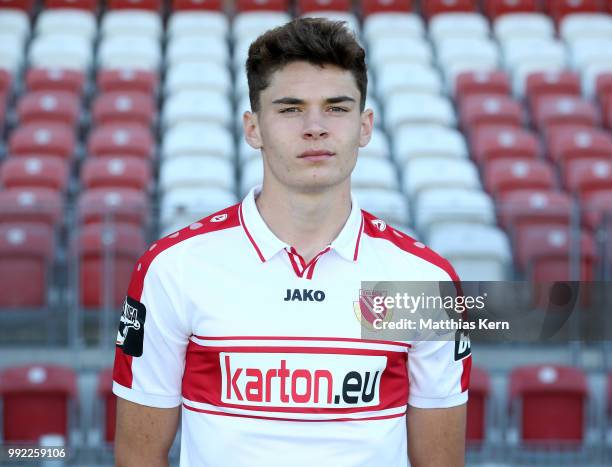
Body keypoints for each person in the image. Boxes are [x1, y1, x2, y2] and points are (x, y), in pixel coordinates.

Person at [113, 17, 471, 467]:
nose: (315, 127)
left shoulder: (423, 282)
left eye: (337, 108)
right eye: (290, 108)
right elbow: (137, 456)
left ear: (365, 126)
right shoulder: (175, 268)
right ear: (253, 128)